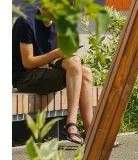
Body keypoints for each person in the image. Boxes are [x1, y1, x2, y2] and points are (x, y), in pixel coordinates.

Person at [12, 11, 97, 146]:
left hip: (46, 71)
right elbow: (27, 62)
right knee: (77, 67)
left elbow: (55, 60)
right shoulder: (26, 22)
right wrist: (57, 53)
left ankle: (91, 132)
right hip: (25, 77)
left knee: (85, 71)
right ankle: (71, 125)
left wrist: (67, 56)